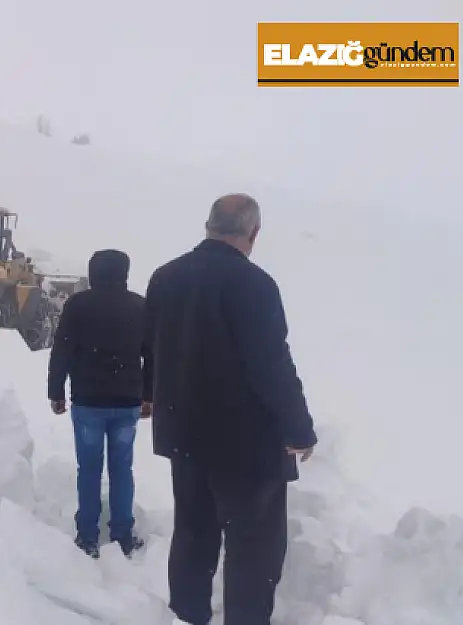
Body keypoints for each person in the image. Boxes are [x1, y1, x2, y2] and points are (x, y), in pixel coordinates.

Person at [143, 194, 318, 625]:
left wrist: (149, 395)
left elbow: (151, 349)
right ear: (252, 233)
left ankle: (187, 617)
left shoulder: (165, 278)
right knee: (253, 551)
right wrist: (299, 429)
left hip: (185, 436)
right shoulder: (254, 284)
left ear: (208, 225)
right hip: (246, 446)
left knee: (192, 536)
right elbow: (270, 364)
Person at [47, 249, 153, 558]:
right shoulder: (140, 307)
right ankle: (122, 534)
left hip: (88, 402)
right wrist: (149, 395)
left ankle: (88, 537)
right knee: (122, 468)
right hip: (127, 402)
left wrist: (56, 392)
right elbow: (153, 355)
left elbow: (62, 351)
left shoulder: (78, 306)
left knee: (89, 469)